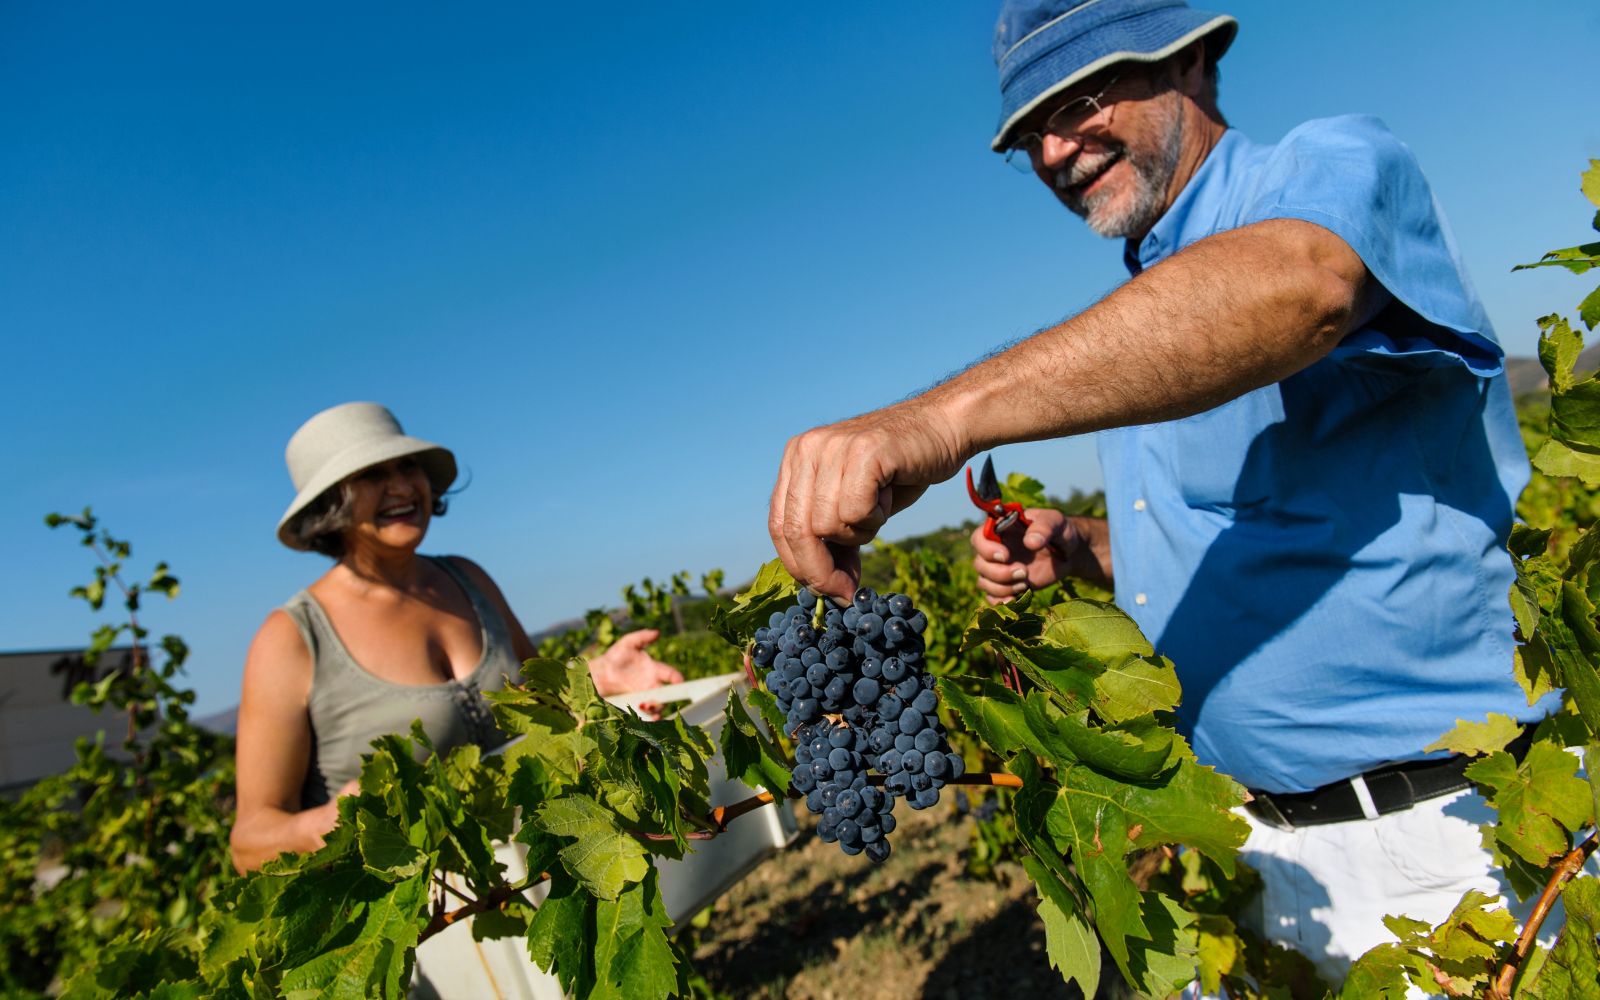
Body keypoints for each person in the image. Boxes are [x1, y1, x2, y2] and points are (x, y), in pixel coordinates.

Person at [766, 0, 1560, 984]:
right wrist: (1088, 550)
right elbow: (1273, 521)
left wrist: (942, 417)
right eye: (1029, 135)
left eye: (1080, 95)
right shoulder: (1142, 317)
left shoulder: (1328, 171)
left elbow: (1305, 282)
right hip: (1242, 850)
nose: (1056, 147)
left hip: (1429, 849)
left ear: (1189, 60)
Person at [231, 402, 684, 873]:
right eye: (370, 476)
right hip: (424, 926)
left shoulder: (467, 578)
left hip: (540, 877)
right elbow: (249, 844)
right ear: (329, 505)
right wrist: (329, 821)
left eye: (408, 467)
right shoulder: (291, 638)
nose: (403, 487)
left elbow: (533, 704)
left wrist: (599, 676)